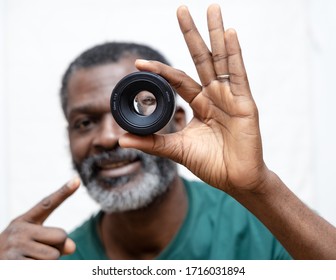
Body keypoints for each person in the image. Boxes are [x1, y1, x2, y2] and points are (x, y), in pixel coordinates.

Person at [0, 4, 335, 260]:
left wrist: (260, 188)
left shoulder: (263, 227)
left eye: (137, 107)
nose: (106, 137)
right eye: (84, 122)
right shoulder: (55, 260)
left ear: (177, 119)